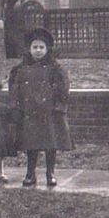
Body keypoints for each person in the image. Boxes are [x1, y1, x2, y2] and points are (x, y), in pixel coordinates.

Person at [8, 27, 73, 187]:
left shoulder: (55, 69)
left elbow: (63, 90)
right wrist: (16, 106)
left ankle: (50, 173)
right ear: (29, 49)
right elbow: (14, 89)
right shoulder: (21, 69)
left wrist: (59, 107)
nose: (38, 51)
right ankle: (30, 173)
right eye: (35, 47)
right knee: (31, 144)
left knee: (51, 144)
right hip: (30, 112)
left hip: (49, 112)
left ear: (47, 49)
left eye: (41, 47)